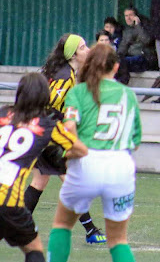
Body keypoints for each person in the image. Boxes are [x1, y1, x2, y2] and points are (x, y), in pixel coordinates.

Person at [47, 44, 142, 262]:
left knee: (62, 224)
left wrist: (69, 151)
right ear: (116, 67)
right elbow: (135, 142)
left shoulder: (78, 92)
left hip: (86, 162)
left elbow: (69, 128)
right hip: (120, 165)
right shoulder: (128, 94)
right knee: (118, 240)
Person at [23, 34, 107, 245]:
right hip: (47, 136)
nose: (87, 49)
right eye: (82, 47)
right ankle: (90, 231)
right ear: (72, 54)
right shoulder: (65, 76)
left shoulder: (66, 73)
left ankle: (17, 225)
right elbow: (48, 107)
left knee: (39, 182)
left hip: (41, 133)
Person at [0, 73, 87, 262]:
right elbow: (80, 150)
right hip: (8, 202)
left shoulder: (3, 113)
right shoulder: (47, 124)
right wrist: (71, 118)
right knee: (34, 250)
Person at [117, 7, 156, 74]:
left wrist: (138, 25)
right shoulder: (127, 30)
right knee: (117, 63)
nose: (128, 18)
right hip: (131, 59)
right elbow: (123, 47)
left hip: (144, 58)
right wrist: (116, 57)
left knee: (123, 63)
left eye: (130, 15)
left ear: (136, 17)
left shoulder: (145, 26)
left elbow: (146, 40)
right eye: (126, 16)